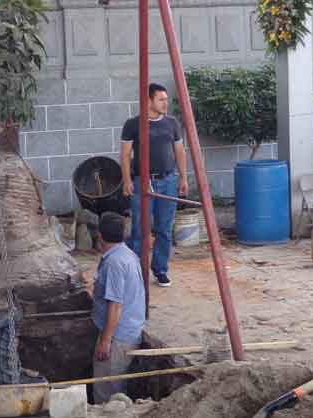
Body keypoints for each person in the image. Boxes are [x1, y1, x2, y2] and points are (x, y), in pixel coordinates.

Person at [119, 83, 188, 287]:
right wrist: (127, 180)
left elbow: (180, 151)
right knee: (140, 229)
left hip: (168, 180)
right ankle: (136, 271)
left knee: (165, 229)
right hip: (143, 182)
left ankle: (160, 270)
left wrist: (183, 177)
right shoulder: (133, 124)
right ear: (148, 101)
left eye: (166, 99)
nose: (166, 103)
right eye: (161, 99)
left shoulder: (172, 123)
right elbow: (124, 154)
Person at [92, 212, 146, 403]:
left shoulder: (114, 263)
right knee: (114, 388)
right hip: (127, 330)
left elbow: (115, 306)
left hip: (118, 338)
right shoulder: (126, 254)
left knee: (106, 394)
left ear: (99, 235)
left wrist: (106, 342)